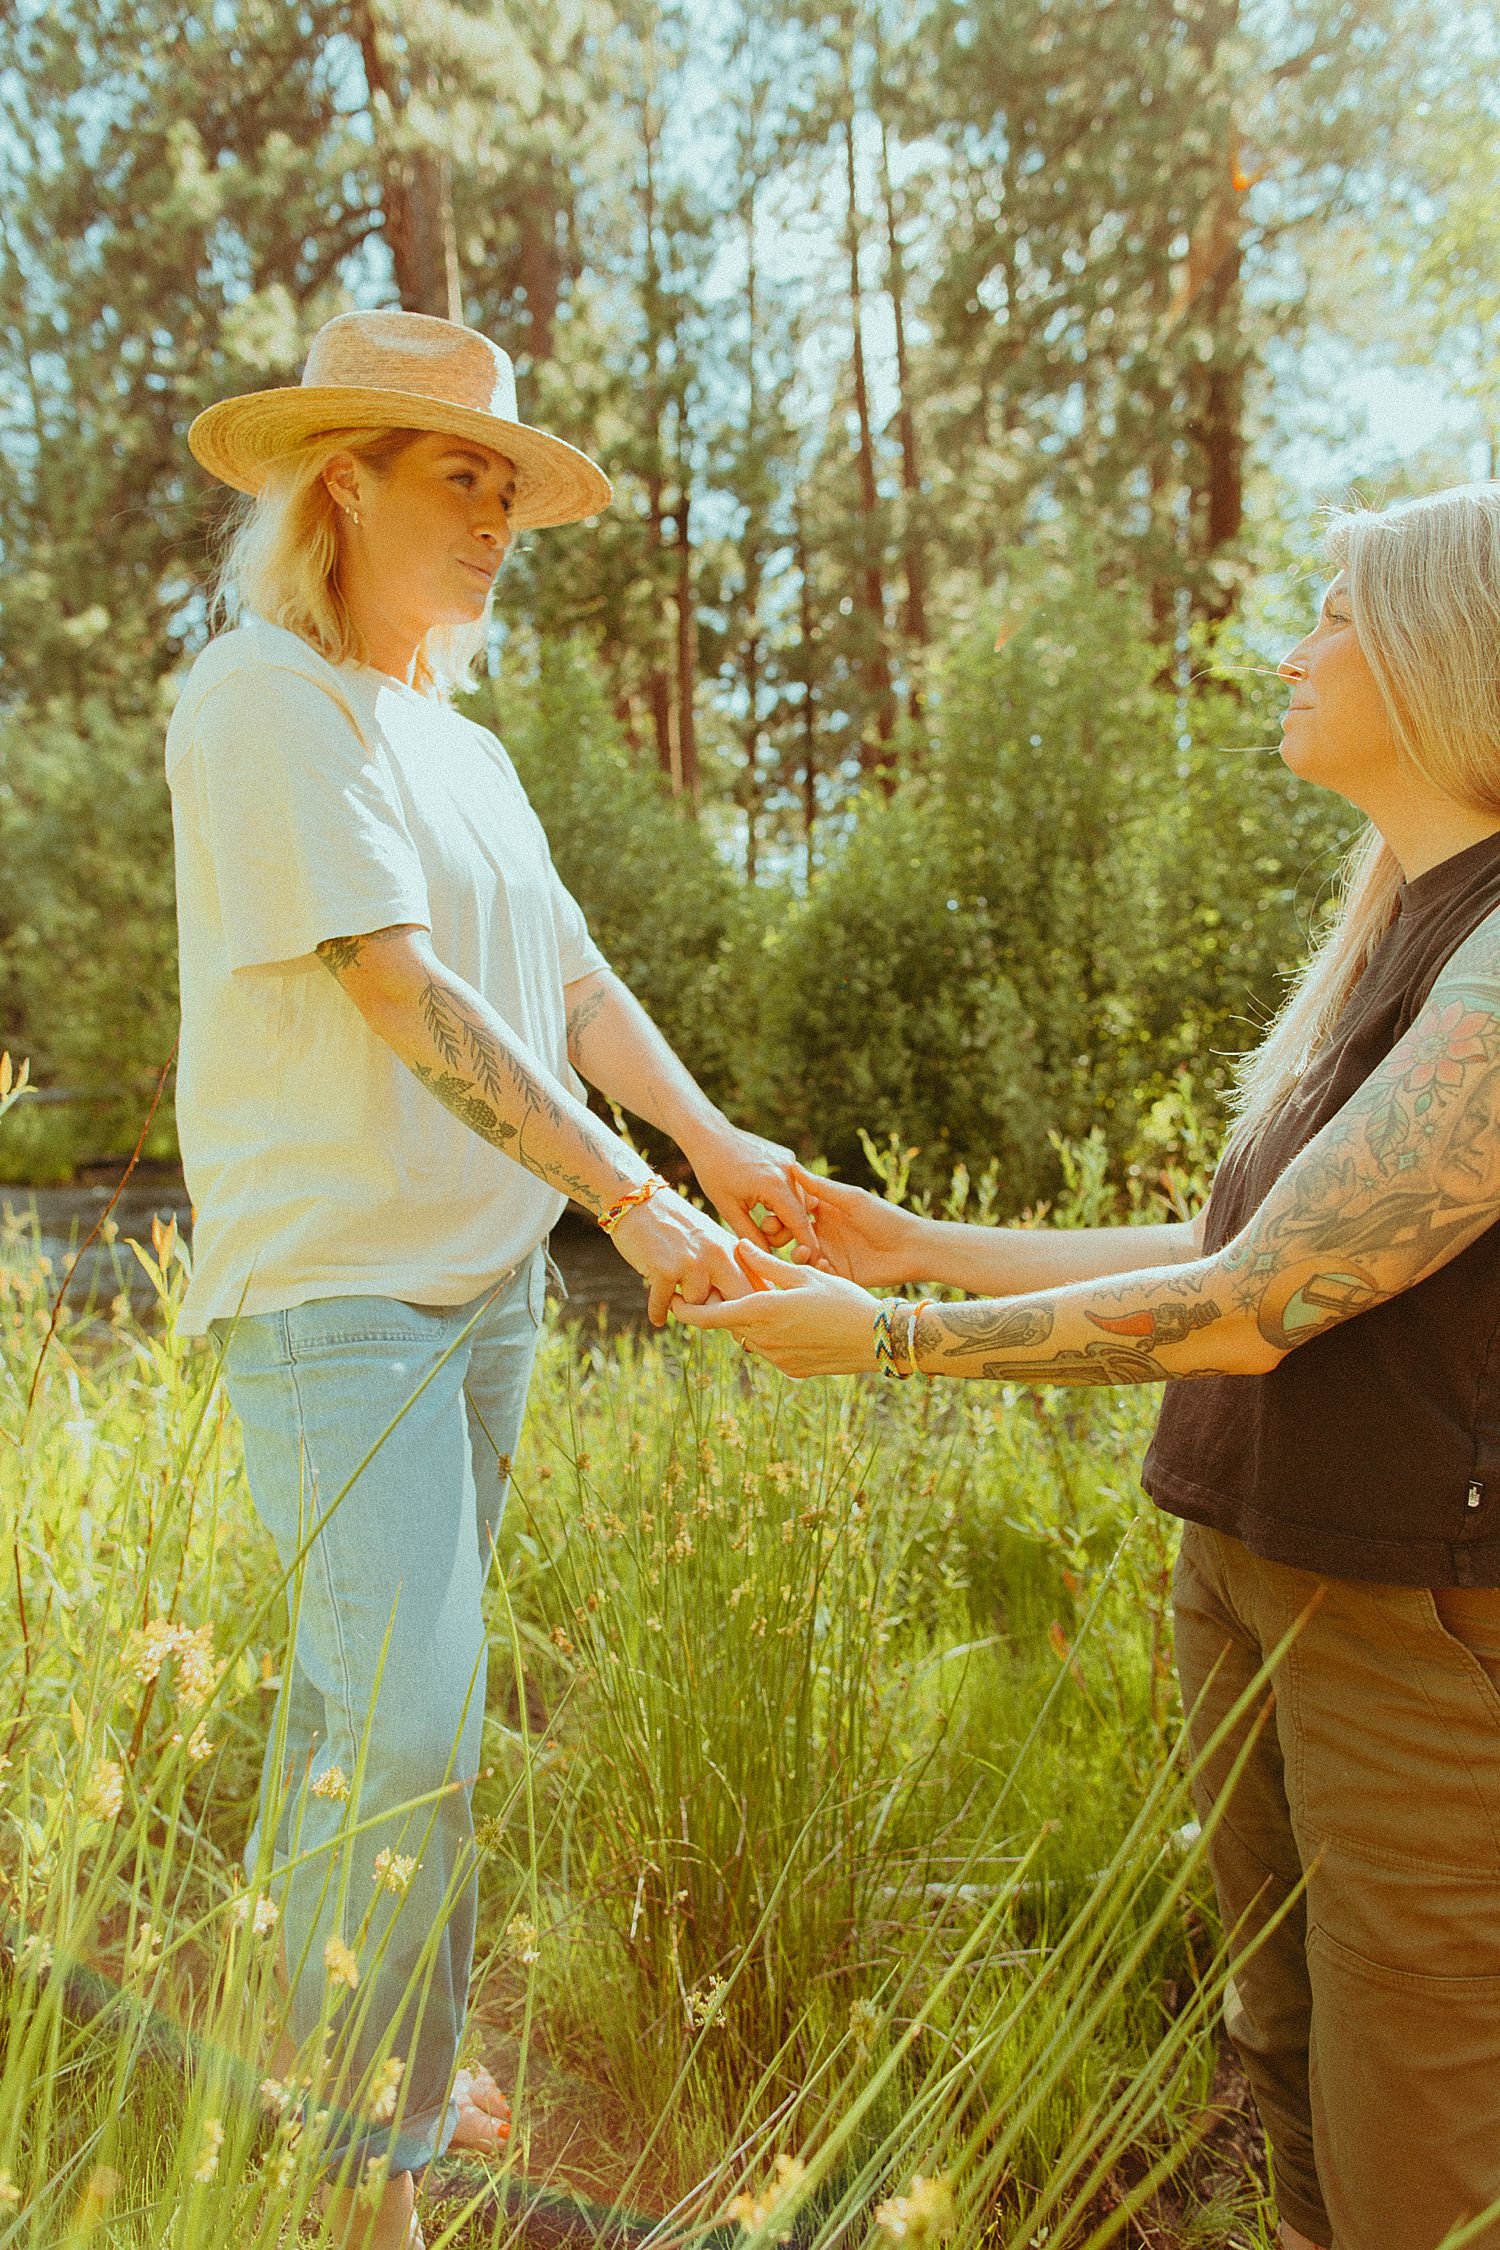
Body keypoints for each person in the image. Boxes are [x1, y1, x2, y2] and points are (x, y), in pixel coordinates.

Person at [676, 484, 1500, 2250]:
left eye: (1338, 613)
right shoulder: (1390, 937)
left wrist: (891, 1344)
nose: (1295, 647)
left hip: (1411, 1635)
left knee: (1422, 2114)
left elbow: (1257, 1304)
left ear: (1450, 657)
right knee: (1276, 2048)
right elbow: (1212, 1256)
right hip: (1253, 1571)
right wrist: (919, 1246)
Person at [169, 307, 816, 2250]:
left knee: (375, 1717)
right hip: (340, 1289)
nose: (503, 518)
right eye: (468, 476)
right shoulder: (260, 695)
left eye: (516, 487)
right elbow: (402, 988)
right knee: (412, 1721)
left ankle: (366, 2057)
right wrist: (634, 1207)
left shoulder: (461, 740)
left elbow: (574, 980)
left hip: (487, 1294)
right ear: (342, 482)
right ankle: (366, 2175)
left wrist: (718, 1145)